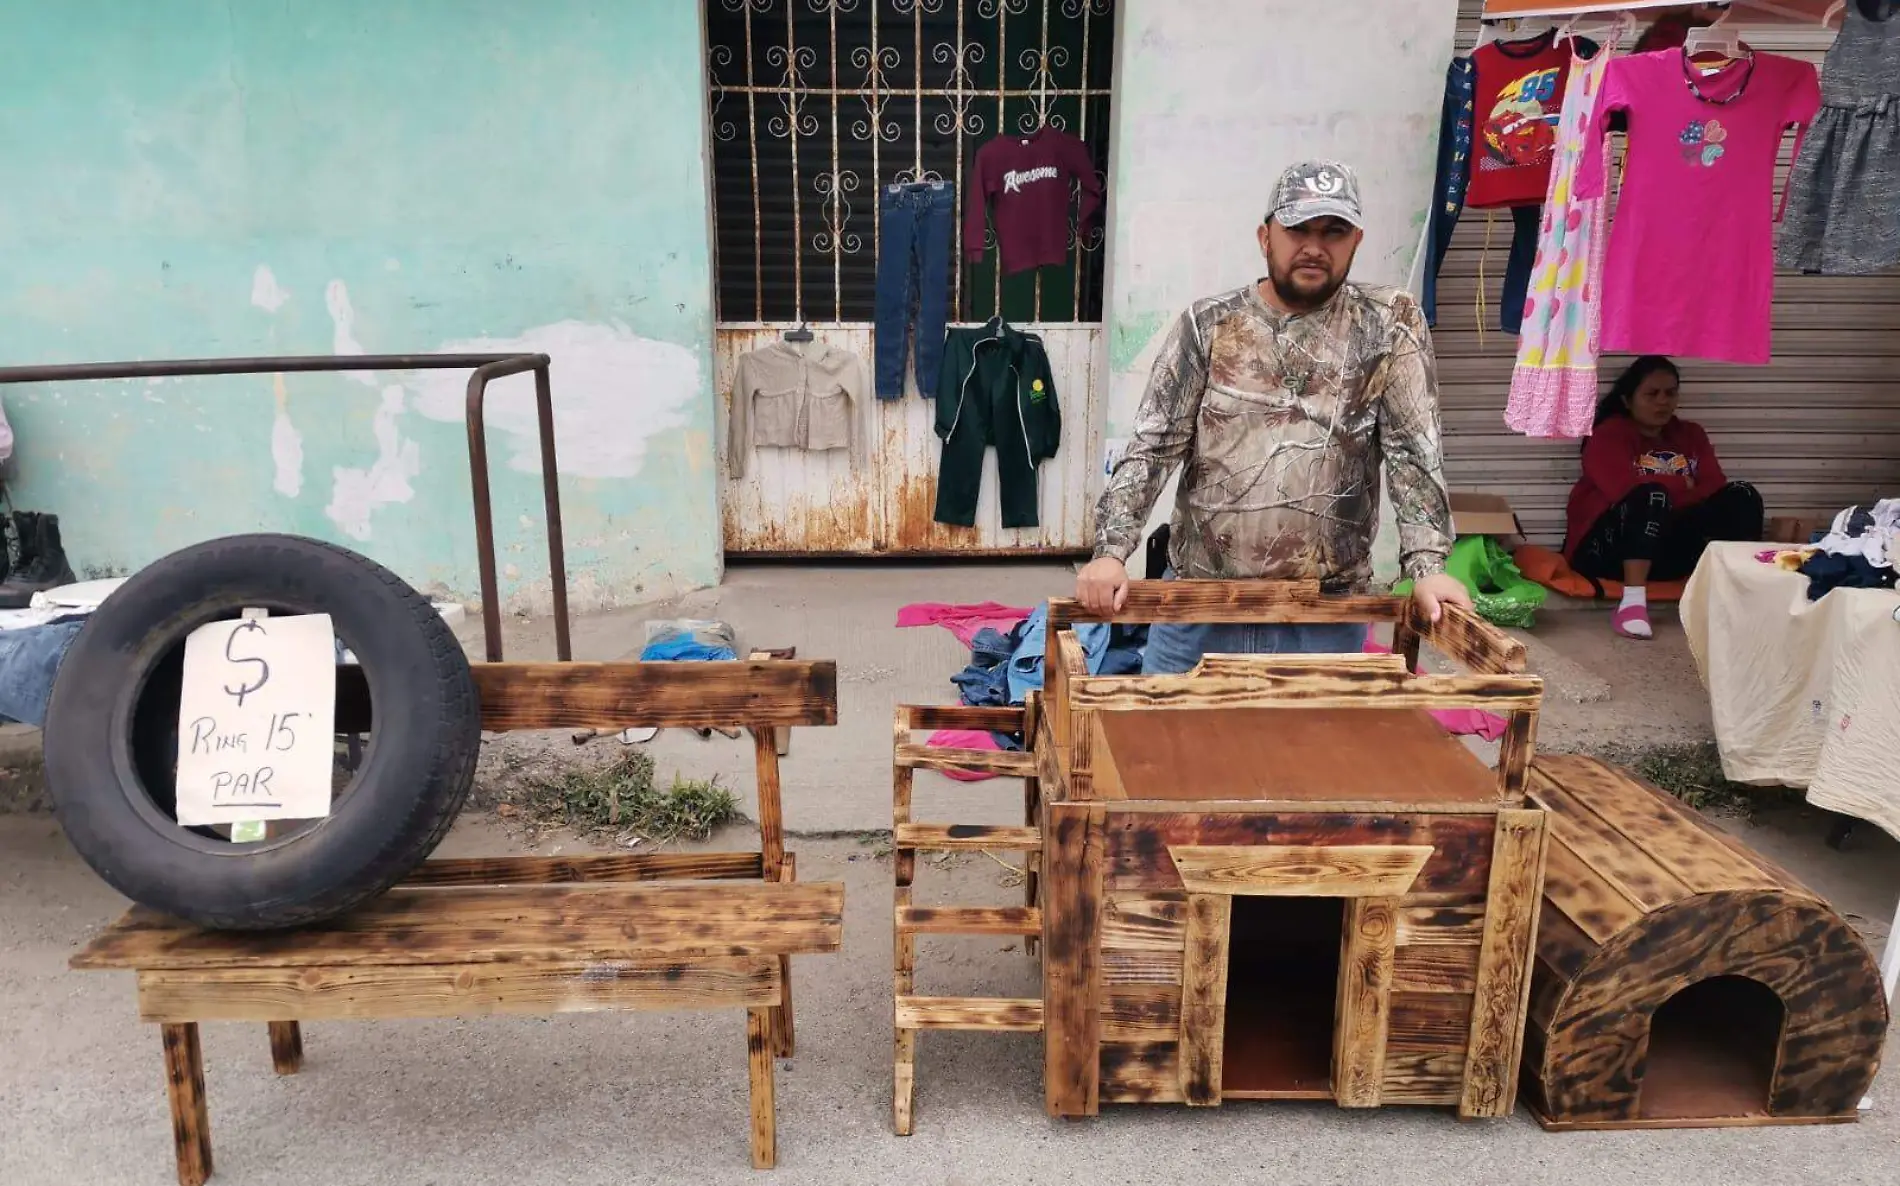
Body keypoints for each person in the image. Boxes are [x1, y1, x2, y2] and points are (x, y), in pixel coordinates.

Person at [1075, 160, 1469, 674]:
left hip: (1325, 615)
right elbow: (1151, 447)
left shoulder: (1387, 325)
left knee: (1309, 753)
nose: (1314, 245)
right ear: (1266, 237)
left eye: (1334, 231)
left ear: (1356, 240)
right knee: (1171, 751)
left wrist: (1428, 568)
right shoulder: (1211, 324)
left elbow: (1414, 454)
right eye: (1298, 229)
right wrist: (1110, 552)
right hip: (1201, 606)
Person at [1564, 355, 1764, 640]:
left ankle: (1742, 598)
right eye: (1652, 394)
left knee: (1742, 495)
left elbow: (1715, 484)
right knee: (1650, 497)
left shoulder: (1690, 434)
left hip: (1664, 550)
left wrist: (1673, 493)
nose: (1662, 401)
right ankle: (1632, 605)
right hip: (1607, 553)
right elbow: (1622, 489)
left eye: (1670, 393)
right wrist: (1683, 485)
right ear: (1627, 400)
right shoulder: (1607, 436)